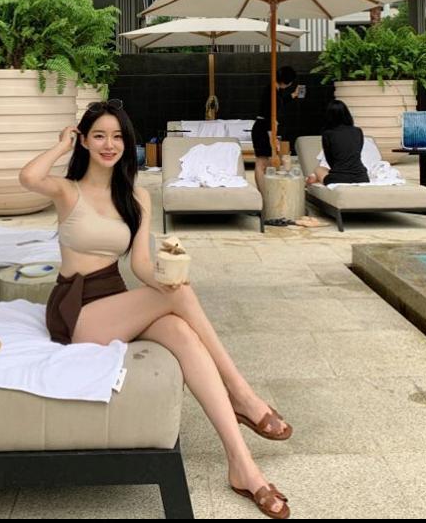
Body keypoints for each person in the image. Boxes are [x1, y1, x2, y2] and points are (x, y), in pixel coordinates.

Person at [20, 99, 293, 519]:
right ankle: (242, 394)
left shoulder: (136, 197)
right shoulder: (67, 189)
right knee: (179, 298)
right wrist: (61, 146)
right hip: (75, 310)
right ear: (85, 141)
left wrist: (166, 281)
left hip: (114, 300)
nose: (109, 144)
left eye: (117, 136)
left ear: (126, 143)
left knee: (182, 327)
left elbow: (140, 267)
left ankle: (243, 466)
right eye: (99, 135)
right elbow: (28, 177)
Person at [252, 66, 300, 191]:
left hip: (263, 127)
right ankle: (263, 194)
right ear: (287, 81)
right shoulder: (272, 91)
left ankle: (265, 192)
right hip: (263, 128)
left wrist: (293, 95)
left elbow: (278, 103)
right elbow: (269, 114)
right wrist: (272, 136)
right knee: (262, 162)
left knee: (264, 162)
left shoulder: (274, 90)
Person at [306, 99, 370, 186]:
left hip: (339, 178)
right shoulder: (358, 131)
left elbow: (330, 159)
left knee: (318, 169)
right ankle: (314, 177)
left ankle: (314, 177)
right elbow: (357, 151)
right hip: (361, 176)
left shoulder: (328, 133)